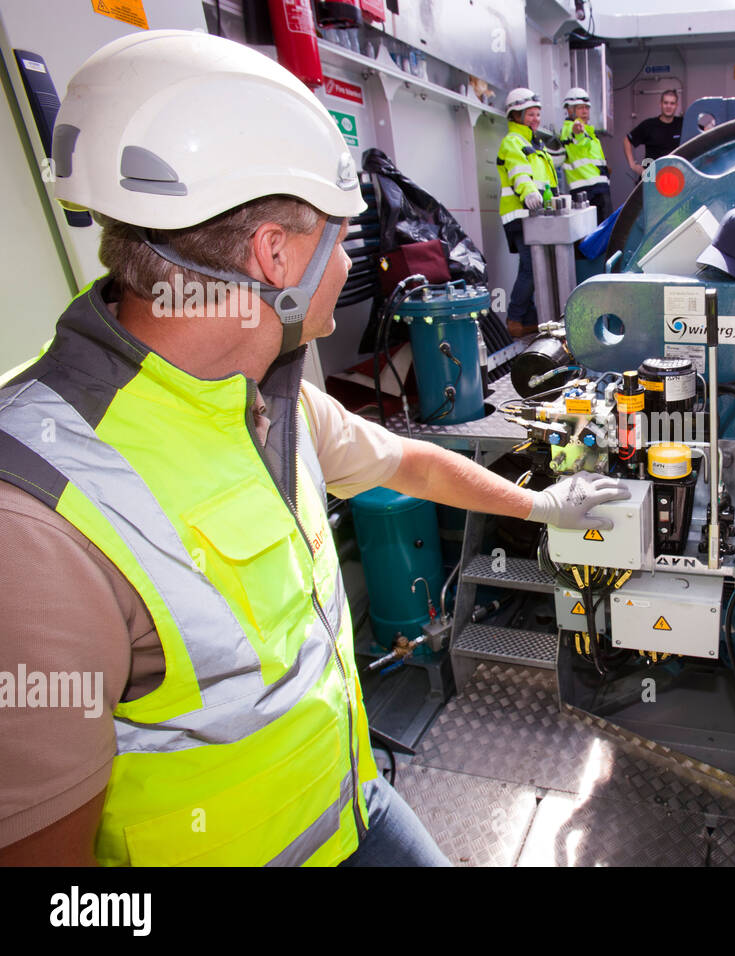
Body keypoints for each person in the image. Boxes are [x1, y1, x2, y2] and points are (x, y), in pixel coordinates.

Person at [0, 30, 625, 867]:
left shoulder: (269, 391)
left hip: (351, 803)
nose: (350, 262)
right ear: (278, 256)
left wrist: (539, 505)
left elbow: (406, 460)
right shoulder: (40, 516)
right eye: (345, 235)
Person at [497, 87, 558, 338]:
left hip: (535, 216)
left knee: (534, 267)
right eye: (530, 114)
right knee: (531, 268)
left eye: (537, 114)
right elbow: (519, 172)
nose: (535, 119)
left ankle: (528, 317)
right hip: (520, 214)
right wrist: (528, 192)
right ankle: (515, 318)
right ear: (516, 116)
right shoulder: (513, 142)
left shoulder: (536, 143)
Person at [560, 87, 612, 224]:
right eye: (580, 108)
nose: (584, 111)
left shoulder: (591, 133)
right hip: (586, 192)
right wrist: (577, 131)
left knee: (605, 234)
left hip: (600, 189)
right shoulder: (569, 129)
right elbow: (576, 136)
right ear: (570, 110)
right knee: (593, 237)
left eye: (586, 108)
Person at [623, 89, 683, 176]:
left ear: (676, 105)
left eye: (672, 103)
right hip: (651, 178)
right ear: (660, 104)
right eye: (665, 103)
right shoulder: (649, 125)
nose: (668, 106)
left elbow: (703, 131)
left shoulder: (683, 123)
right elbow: (627, 141)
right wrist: (633, 165)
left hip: (675, 179)